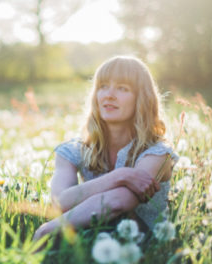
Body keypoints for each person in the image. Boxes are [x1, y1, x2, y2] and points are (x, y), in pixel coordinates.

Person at [33, 55, 179, 241]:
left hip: (141, 249)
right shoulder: (72, 151)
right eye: (103, 86)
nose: (109, 95)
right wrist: (121, 176)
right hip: (87, 241)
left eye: (122, 88)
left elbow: (119, 201)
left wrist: (49, 229)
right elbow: (60, 202)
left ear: (141, 98)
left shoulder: (157, 153)